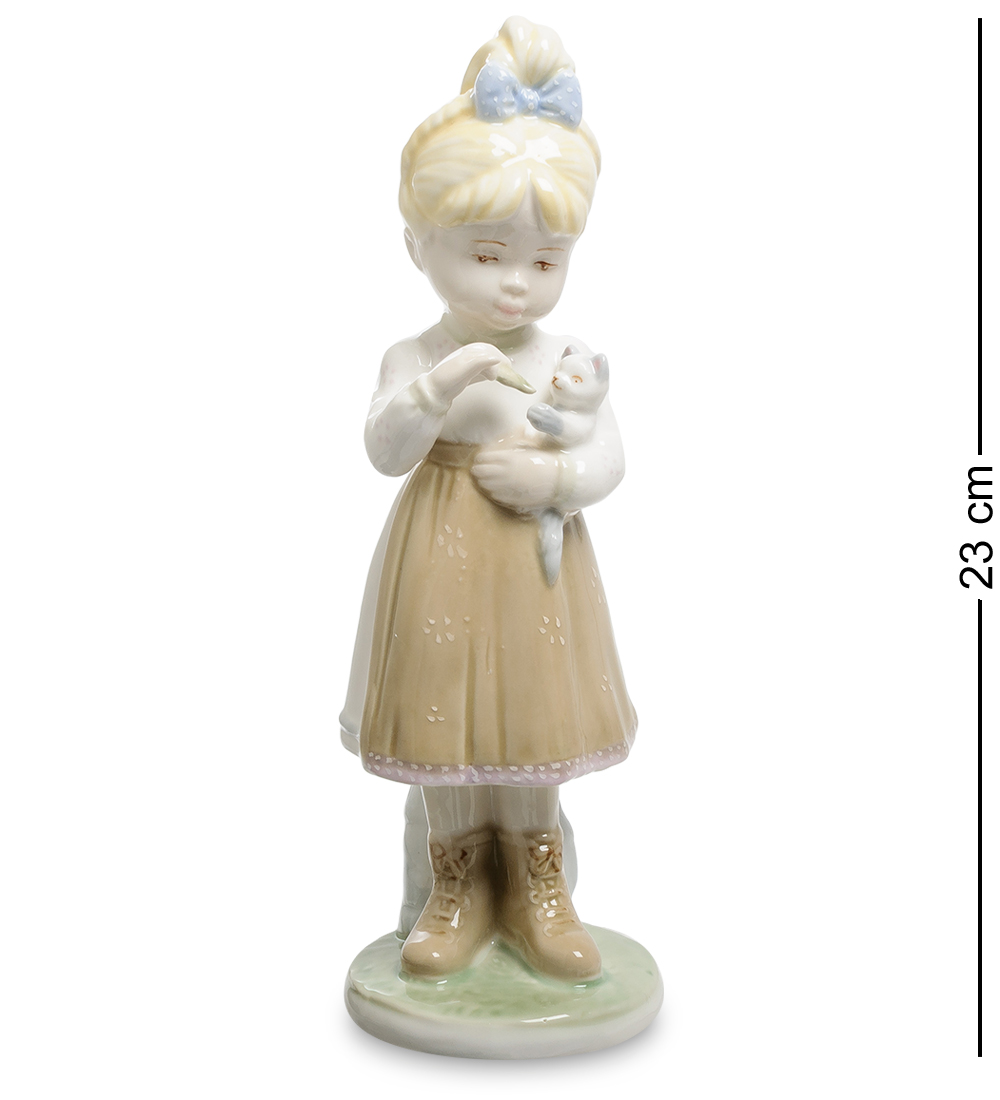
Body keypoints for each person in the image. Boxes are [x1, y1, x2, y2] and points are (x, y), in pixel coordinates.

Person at [339, 16, 636, 983]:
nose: (515, 285)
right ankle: (456, 884)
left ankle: (540, 884)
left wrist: (558, 479)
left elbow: (608, 458)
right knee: (447, 724)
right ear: (418, 245)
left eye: (544, 262)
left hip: (536, 576)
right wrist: (436, 387)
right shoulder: (414, 354)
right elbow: (383, 451)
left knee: (530, 729)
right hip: (441, 557)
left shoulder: (565, 357)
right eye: (487, 253)